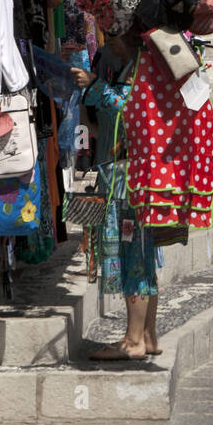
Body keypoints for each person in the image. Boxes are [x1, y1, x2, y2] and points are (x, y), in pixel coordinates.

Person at [70, 28, 161, 361]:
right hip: (125, 170)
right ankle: (147, 336)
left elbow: (127, 106)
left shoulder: (139, 71)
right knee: (142, 255)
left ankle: (133, 340)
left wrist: (93, 84)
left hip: (128, 178)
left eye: (113, 39)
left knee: (133, 256)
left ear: (131, 39)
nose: (108, 46)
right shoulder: (133, 69)